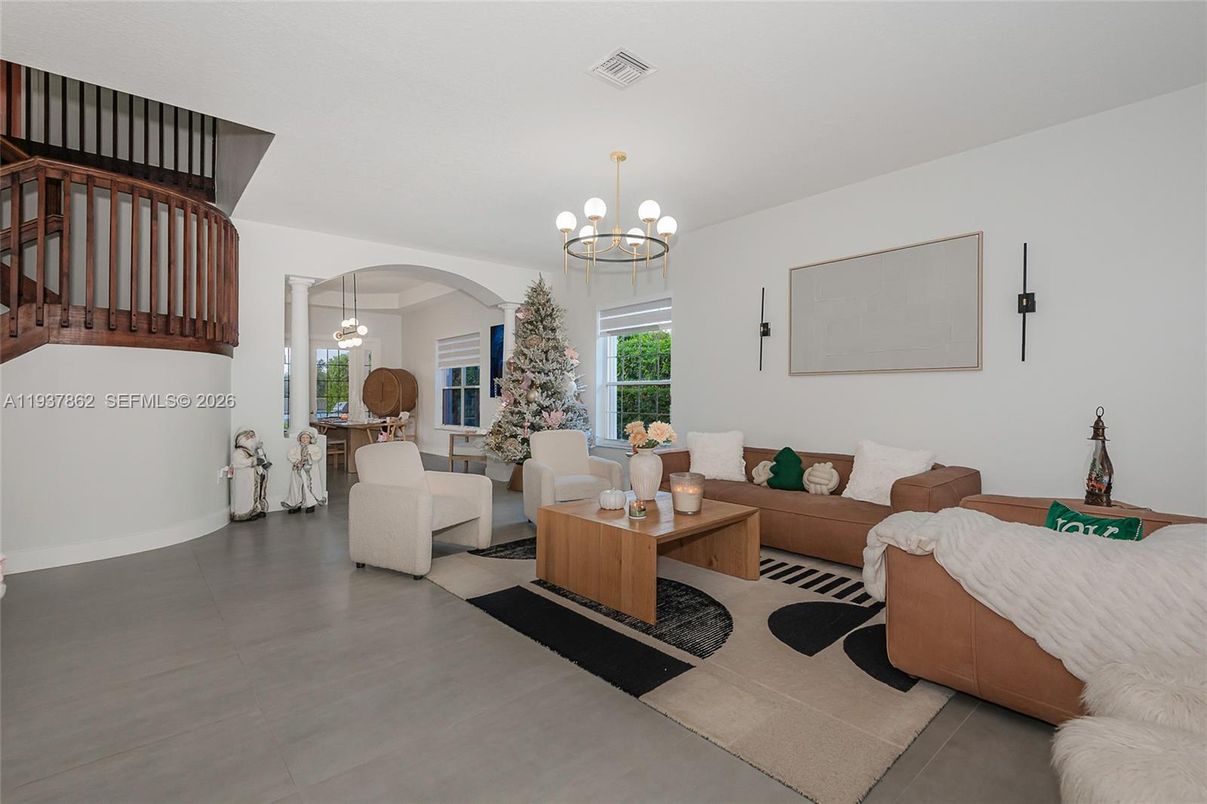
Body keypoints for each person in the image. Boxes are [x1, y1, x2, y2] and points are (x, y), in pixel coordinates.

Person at [230, 428, 270, 521]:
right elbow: (238, 462)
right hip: (243, 479)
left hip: (252, 478)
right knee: (244, 496)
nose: (251, 438)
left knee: (253, 494)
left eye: (252, 436)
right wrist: (254, 461)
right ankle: (243, 513)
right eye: (248, 436)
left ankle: (254, 510)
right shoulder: (239, 452)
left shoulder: (251, 451)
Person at [283, 428, 324, 513]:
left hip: (309, 471)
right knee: (296, 486)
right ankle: (296, 503)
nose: (305, 440)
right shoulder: (296, 448)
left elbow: (318, 455)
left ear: (310, 439)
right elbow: (290, 455)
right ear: (300, 439)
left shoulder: (314, 448)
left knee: (308, 485)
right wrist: (297, 461)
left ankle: (310, 503)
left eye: (307, 438)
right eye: (303, 438)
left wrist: (309, 457)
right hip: (298, 470)